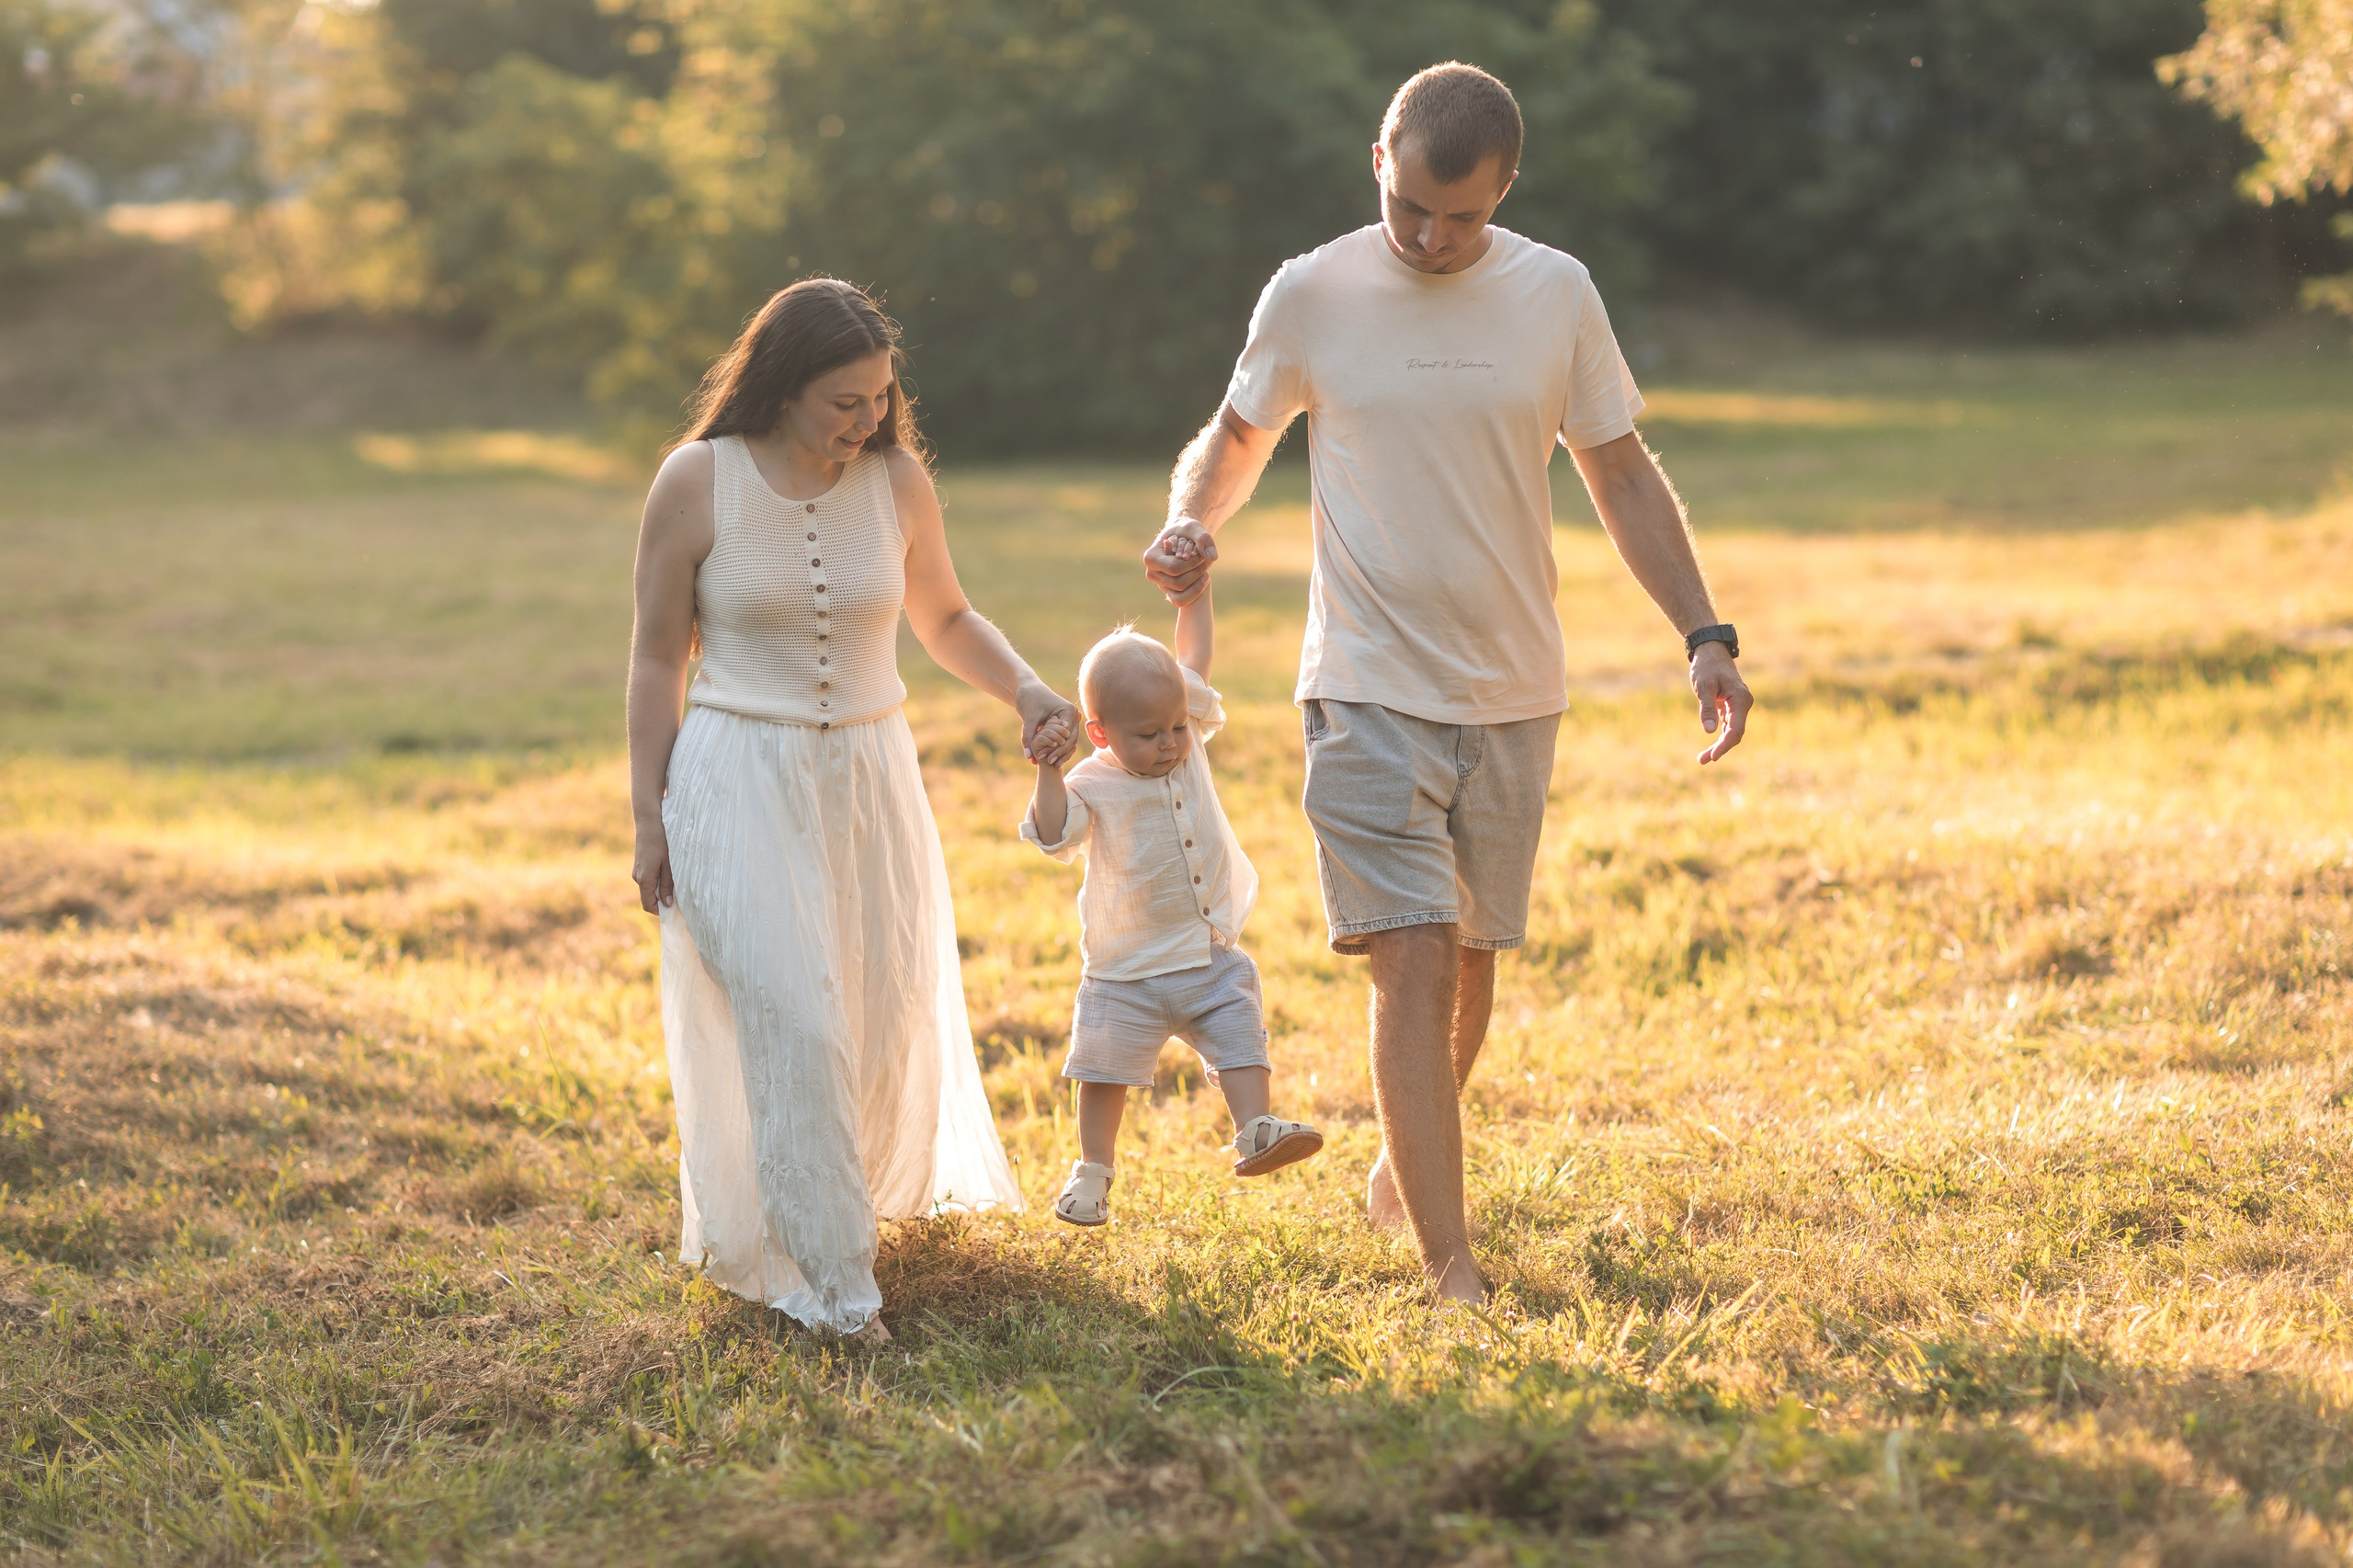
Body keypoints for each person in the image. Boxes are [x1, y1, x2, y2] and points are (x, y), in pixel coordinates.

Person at [1142, 63, 1755, 1304]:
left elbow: (1620, 472)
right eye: (1410, 207)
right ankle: (1449, 1264)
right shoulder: (1312, 290)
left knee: (1473, 957)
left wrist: (1704, 631)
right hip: (1364, 681)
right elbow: (1240, 434)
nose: (1428, 238)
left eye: (1459, 218)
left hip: (1514, 688)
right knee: (1414, 956)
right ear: (1380, 161)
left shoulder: (1555, 292)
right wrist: (1190, 520)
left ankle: (1404, 1167)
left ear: (1504, 191)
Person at [626, 278, 1078, 1340]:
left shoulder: (895, 481)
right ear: (782, 387)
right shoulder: (696, 480)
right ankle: (834, 1288)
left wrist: (1026, 688)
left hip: (871, 778)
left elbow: (946, 615)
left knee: (873, 1007)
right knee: (792, 1013)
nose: (868, 418)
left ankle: (839, 1209)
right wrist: (648, 816)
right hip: (737, 775)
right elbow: (654, 658)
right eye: (844, 400)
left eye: (881, 396)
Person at [1021, 562, 1324, 1228]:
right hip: (1126, 970)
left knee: (1240, 1030)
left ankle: (1256, 1129)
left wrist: (1195, 596)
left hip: (1204, 951)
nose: (1170, 743)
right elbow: (1052, 833)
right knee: (1103, 1072)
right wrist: (1048, 769)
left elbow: (1195, 655)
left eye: (1179, 727)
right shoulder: (1091, 783)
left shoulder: (1186, 739)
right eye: (1149, 735)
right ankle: (1092, 1172)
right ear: (1101, 733)